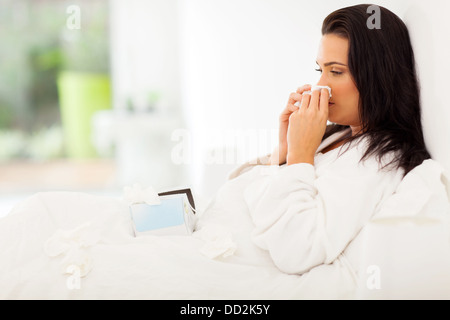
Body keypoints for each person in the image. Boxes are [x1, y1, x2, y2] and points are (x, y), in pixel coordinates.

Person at [226, 4, 432, 276]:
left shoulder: (380, 159)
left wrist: (301, 155)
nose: (320, 85)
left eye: (335, 72)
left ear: (378, 77)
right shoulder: (340, 131)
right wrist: (285, 150)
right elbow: (244, 187)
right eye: (319, 70)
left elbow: (298, 250)